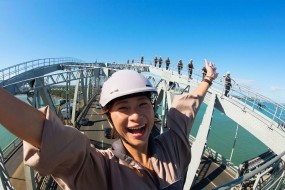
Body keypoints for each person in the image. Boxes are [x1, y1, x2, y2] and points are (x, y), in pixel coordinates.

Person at [0, 60, 218, 189]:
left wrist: (207, 79)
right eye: (123, 108)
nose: (136, 116)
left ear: (153, 108)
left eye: (143, 104)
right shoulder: (101, 169)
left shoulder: (172, 147)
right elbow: (50, 137)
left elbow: (184, 111)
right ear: (108, 116)